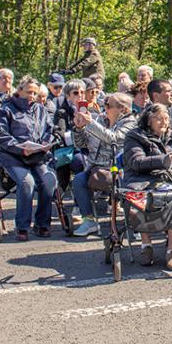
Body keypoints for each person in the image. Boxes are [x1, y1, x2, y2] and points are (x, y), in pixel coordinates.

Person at [123, 103, 172, 270]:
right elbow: (136, 162)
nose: (164, 122)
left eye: (166, 119)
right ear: (148, 120)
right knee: (141, 198)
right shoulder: (134, 136)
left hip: (167, 180)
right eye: (159, 119)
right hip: (141, 180)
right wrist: (166, 160)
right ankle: (146, 245)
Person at [0, 76, 58, 241]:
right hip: (13, 156)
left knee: (49, 182)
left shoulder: (40, 110)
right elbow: (1, 135)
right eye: (29, 92)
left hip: (37, 155)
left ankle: (42, 223)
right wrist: (20, 148)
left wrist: (46, 143)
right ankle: (22, 226)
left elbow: (50, 131)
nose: (32, 96)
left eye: (35, 93)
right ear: (19, 90)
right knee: (27, 182)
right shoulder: (5, 110)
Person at [71, 92, 136, 236]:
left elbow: (114, 139)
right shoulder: (100, 120)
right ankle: (89, 221)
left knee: (124, 185)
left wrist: (90, 123)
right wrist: (78, 128)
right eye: (104, 104)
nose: (104, 108)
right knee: (79, 180)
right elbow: (80, 143)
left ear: (123, 109)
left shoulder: (131, 123)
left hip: (119, 170)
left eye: (108, 105)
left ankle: (134, 223)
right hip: (95, 168)